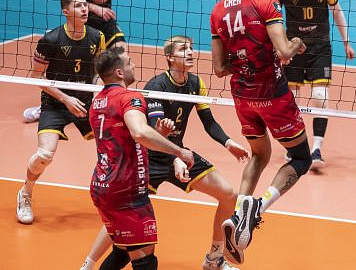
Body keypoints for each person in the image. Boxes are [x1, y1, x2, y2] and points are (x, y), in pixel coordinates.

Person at [80, 36, 248, 270]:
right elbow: (149, 133)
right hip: (149, 158)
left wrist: (228, 143)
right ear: (169, 57)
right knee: (124, 218)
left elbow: (208, 122)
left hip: (176, 153)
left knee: (228, 194)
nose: (190, 52)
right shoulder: (155, 87)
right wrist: (176, 155)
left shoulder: (196, 83)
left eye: (191, 48)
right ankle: (88, 263)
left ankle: (214, 258)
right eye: (183, 49)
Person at [210, 0, 310, 264]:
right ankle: (256, 208)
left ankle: (239, 213)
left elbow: (219, 68)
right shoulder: (266, 0)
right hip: (273, 94)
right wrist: (297, 42)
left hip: (243, 96)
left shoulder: (217, 11)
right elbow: (284, 52)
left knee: (260, 154)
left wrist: (244, 61)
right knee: (301, 157)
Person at [89, 47, 194, 270]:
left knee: (122, 250)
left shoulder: (98, 101)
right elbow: (139, 132)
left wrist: (158, 134)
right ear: (119, 72)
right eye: (129, 62)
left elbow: (128, 138)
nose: (134, 65)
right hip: (125, 189)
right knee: (145, 260)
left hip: (102, 185)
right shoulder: (130, 97)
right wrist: (179, 152)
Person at [16, 0, 106, 225]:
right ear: (66, 12)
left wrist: (98, 92)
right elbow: (37, 77)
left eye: (85, 5)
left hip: (86, 103)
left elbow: (99, 71)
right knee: (44, 155)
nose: (84, 9)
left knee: (115, 145)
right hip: (56, 103)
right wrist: (66, 99)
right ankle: (25, 193)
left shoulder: (97, 36)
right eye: (78, 6)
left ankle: (113, 197)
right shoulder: (51, 40)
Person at [274, 0, 355, 167]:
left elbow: (337, 12)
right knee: (291, 100)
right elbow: (274, 20)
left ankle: (316, 149)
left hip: (320, 46)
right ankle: (295, 146)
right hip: (294, 48)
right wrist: (280, 48)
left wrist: (346, 41)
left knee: (320, 95)